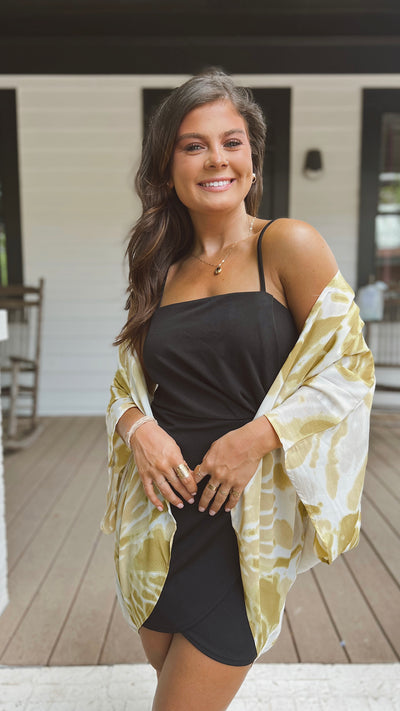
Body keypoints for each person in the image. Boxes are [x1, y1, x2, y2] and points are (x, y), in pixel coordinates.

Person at [100, 70, 375, 711]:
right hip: (157, 523)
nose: (216, 159)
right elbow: (124, 386)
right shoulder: (159, 266)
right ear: (168, 165)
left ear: (253, 158)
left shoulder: (287, 244)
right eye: (193, 145)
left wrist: (254, 440)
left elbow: (349, 367)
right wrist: (138, 430)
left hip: (240, 524)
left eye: (232, 142)